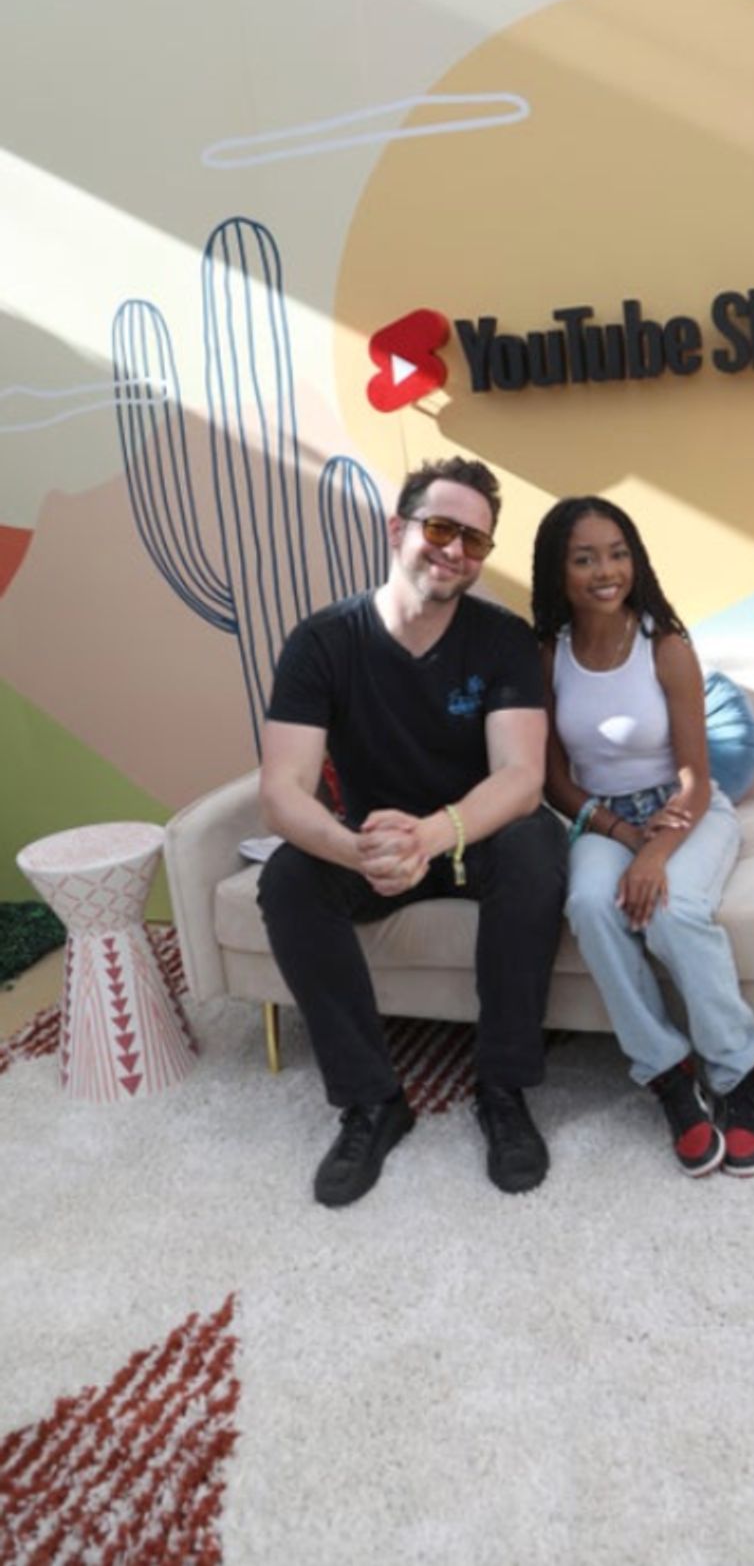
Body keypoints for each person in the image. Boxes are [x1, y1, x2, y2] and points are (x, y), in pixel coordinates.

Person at [258, 456, 567, 1207]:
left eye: (475, 539)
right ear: (399, 529)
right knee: (287, 881)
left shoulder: (501, 641)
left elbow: (520, 777)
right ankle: (371, 1102)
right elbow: (283, 789)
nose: (455, 550)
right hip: (374, 841)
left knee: (535, 848)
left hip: (471, 834)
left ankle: (502, 1090)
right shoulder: (322, 641)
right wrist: (355, 848)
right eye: (440, 528)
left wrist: (432, 835)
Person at [531, 497, 754, 1178]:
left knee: (670, 909)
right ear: (559, 571)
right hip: (600, 816)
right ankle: (668, 1072)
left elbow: (697, 776)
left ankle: (741, 1068)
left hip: (685, 811)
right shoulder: (549, 655)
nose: (606, 570)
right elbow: (554, 779)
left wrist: (657, 849)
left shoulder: (665, 645)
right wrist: (618, 834)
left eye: (617, 553)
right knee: (588, 906)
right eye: (584, 558)